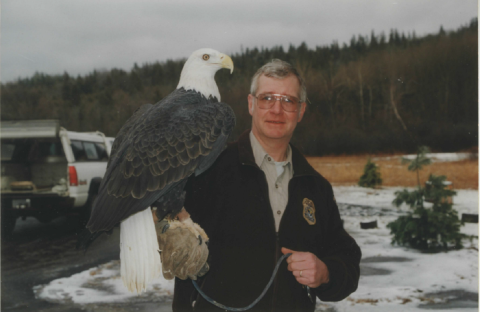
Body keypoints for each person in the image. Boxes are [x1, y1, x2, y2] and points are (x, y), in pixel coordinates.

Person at [172, 59, 361, 311]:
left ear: (301, 111)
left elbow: (346, 258)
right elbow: (163, 235)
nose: (276, 110)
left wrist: (325, 273)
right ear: (251, 104)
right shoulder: (208, 170)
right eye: (267, 98)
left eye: (288, 101)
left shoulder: (316, 187)